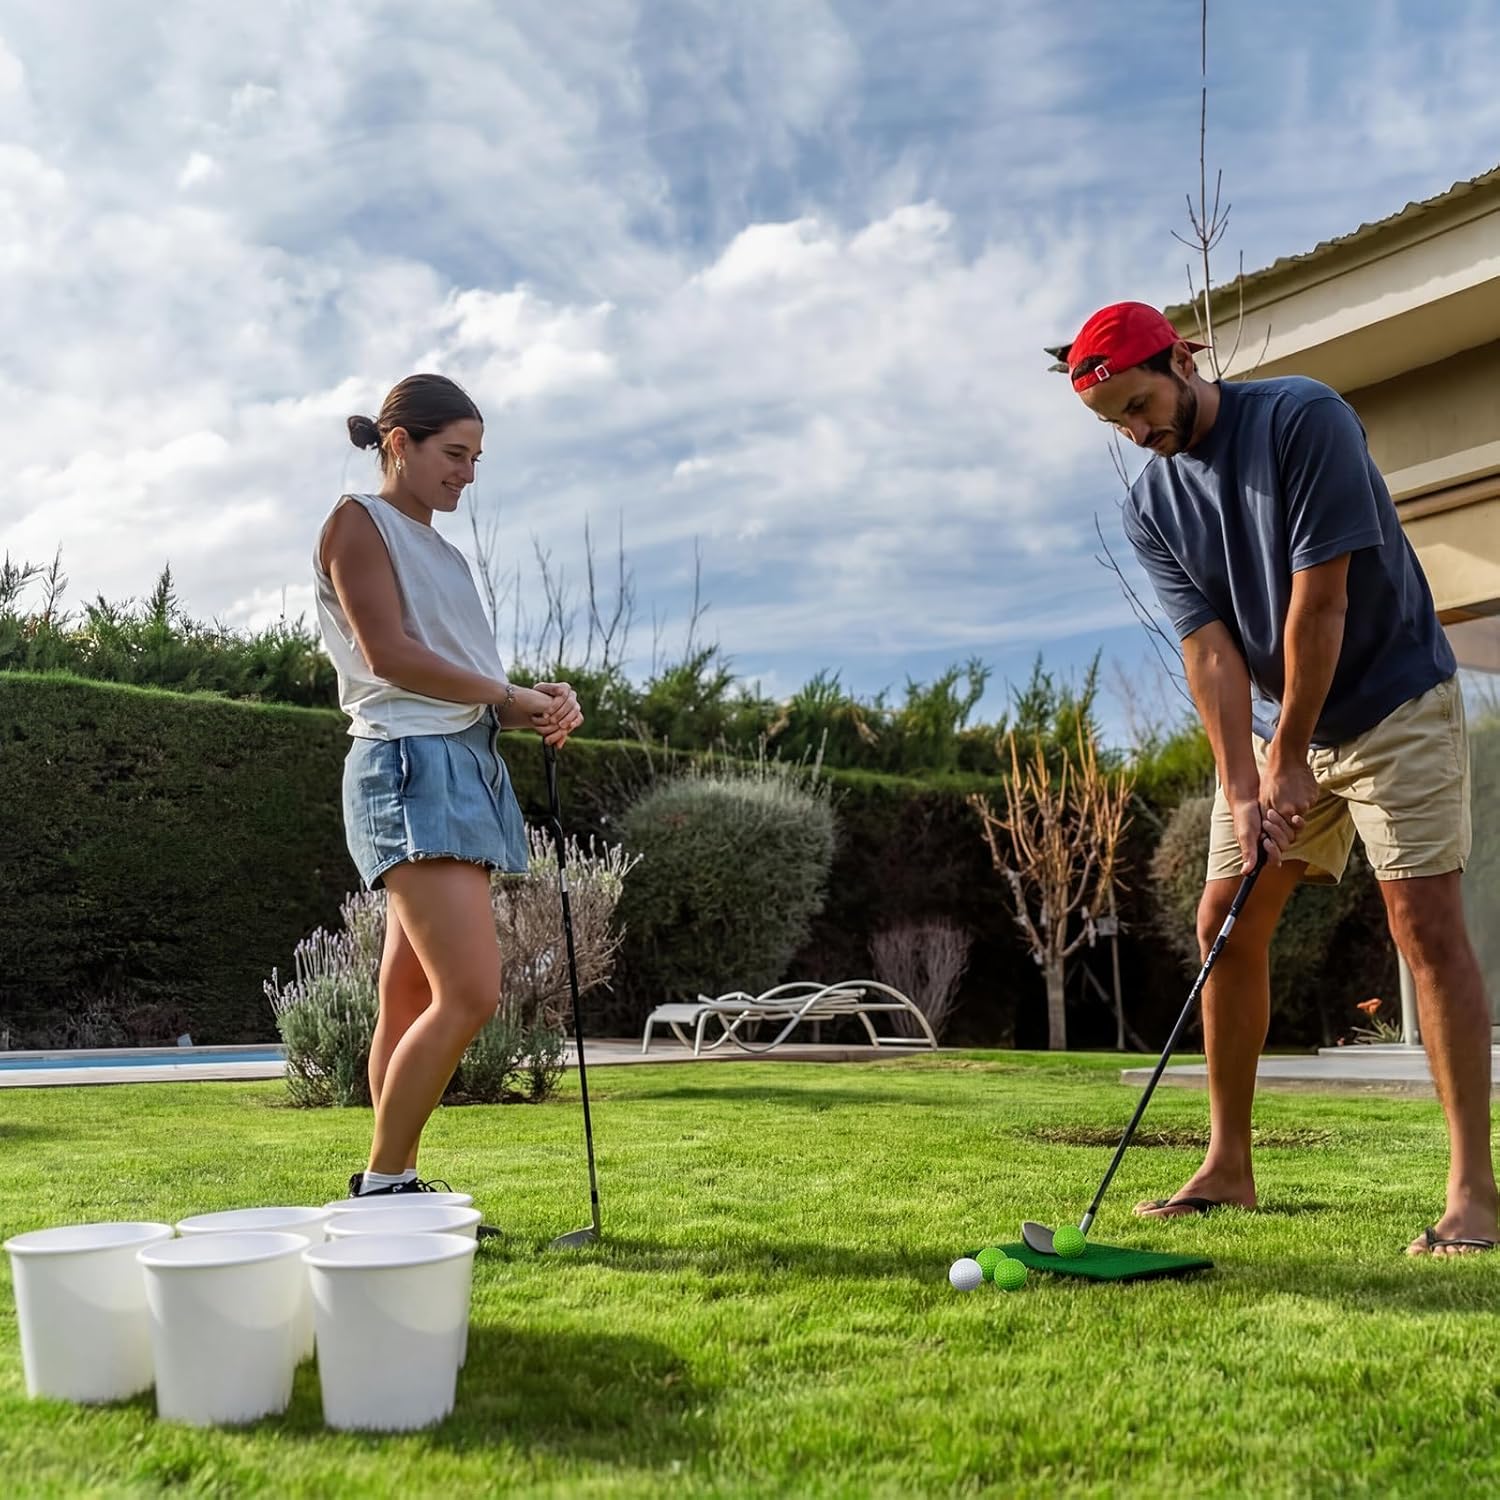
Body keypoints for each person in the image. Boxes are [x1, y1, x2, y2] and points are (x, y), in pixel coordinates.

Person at [1063, 300, 1494, 1256]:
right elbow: (1210, 655)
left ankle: (1474, 1193)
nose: (1139, 434)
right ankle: (1228, 1163)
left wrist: (1295, 751)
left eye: (1141, 406)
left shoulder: (1304, 418)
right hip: (1279, 731)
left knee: (1422, 927)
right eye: (1117, 425)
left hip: (1392, 699)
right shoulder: (1151, 505)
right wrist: (1250, 784)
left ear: (1181, 360)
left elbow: (1322, 602)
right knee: (1224, 918)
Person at [313, 372, 583, 1198]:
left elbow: (464, 683)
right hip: (406, 766)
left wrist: (542, 703)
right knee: (469, 992)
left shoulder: (448, 557)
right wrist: (509, 694)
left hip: (461, 762)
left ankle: (388, 1180)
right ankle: (385, 1186)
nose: (467, 472)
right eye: (454, 454)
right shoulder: (358, 525)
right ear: (400, 444)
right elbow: (390, 659)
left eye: (476, 458)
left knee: (409, 995)